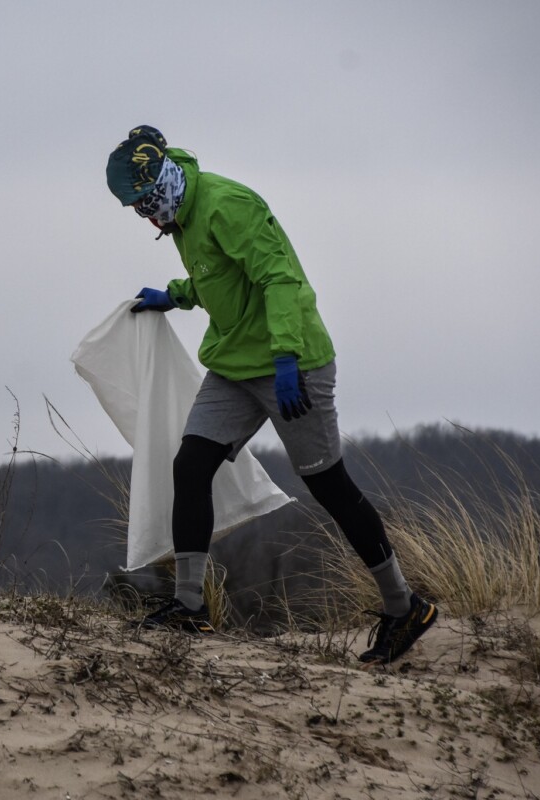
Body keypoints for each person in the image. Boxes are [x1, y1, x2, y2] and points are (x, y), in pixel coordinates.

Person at [105, 125, 437, 665]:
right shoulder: (182, 219)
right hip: (235, 364)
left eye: (145, 203)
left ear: (162, 180)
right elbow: (219, 277)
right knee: (190, 466)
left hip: (293, 363)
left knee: (329, 486)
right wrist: (177, 295)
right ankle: (190, 607)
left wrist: (286, 358)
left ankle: (406, 608)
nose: (145, 216)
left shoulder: (226, 203)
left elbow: (279, 279)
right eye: (136, 209)